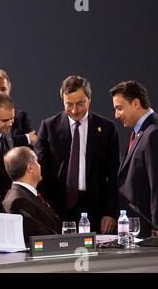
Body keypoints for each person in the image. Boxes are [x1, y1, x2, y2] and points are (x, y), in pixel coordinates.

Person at [35, 75, 120, 233]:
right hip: (57, 208)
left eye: (80, 104)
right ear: (63, 101)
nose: (75, 110)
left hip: (95, 209)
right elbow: (41, 171)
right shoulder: (49, 127)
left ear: (89, 99)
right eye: (69, 104)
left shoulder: (107, 129)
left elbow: (113, 174)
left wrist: (110, 212)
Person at [110, 81, 158, 238]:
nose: (117, 115)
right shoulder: (142, 132)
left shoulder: (153, 133)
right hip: (138, 230)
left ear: (136, 103)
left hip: (149, 232)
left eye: (119, 108)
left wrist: (156, 228)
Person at [2, 147, 61, 243]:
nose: (40, 166)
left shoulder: (22, 194)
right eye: (37, 162)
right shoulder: (19, 201)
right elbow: (37, 236)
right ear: (30, 168)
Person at [0, 69, 36, 147]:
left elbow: (29, 150)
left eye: (3, 89)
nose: (0, 93)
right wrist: (26, 138)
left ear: (9, 91)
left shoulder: (21, 117)